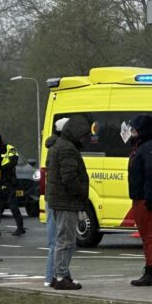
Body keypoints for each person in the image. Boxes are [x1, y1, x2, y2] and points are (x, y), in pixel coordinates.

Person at [47, 115, 91, 291]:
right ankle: (61, 276)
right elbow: (69, 177)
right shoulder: (68, 149)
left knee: (62, 240)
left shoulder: (59, 146)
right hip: (66, 201)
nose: (84, 139)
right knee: (66, 241)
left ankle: (60, 274)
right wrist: (81, 193)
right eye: (83, 136)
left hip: (59, 200)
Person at [127, 114, 152, 286]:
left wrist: (149, 197)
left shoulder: (149, 148)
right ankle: (150, 269)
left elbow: (151, 173)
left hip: (146, 197)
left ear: (142, 130)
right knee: (146, 235)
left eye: (135, 129)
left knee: (150, 236)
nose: (132, 132)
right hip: (140, 196)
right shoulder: (142, 146)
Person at [43, 118, 76, 288]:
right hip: (59, 200)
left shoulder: (53, 147)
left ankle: (61, 274)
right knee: (61, 241)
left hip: (52, 198)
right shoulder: (62, 149)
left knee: (58, 240)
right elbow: (68, 176)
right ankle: (54, 276)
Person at [0, 143, 24, 236]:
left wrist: (1, 168)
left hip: (9, 181)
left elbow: (14, 161)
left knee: (13, 205)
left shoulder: (10, 148)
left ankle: (20, 227)